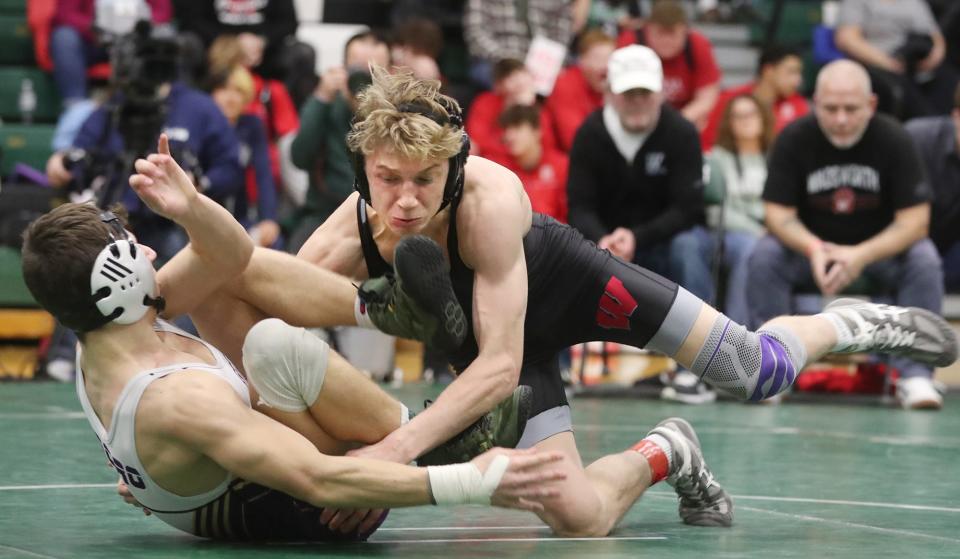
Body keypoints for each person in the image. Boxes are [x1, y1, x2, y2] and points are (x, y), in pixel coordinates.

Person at [295, 64, 958, 536]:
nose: (406, 199)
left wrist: (390, 452)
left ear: (457, 167)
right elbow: (269, 306)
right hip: (504, 351)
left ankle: (852, 321)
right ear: (365, 172)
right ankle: (669, 449)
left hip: (567, 288)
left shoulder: (488, 201)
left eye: (425, 179)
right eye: (387, 180)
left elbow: (497, 366)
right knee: (578, 518)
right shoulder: (351, 230)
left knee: (755, 372)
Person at [20, 136, 563, 541]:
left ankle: (389, 311)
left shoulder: (112, 324)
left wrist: (189, 206)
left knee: (249, 316)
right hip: (314, 510)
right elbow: (318, 482)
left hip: (257, 464)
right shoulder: (176, 398)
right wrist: (472, 480)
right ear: (115, 278)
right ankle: (438, 445)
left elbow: (232, 256)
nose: (150, 254)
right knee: (276, 345)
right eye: (134, 250)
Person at [747, 60, 949, 410]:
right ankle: (772, 368)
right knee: (764, 254)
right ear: (815, 103)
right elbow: (776, 214)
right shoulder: (794, 137)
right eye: (830, 108)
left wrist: (860, 255)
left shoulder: (894, 138)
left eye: (851, 109)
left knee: (924, 257)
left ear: (870, 105)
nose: (840, 119)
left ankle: (916, 375)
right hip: (811, 254)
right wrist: (814, 248)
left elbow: (916, 220)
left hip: (877, 255)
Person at [672, 93, 774, 327]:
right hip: (728, 232)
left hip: (770, 231)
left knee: (762, 249)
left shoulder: (775, 158)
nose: (745, 121)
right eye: (738, 116)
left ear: (763, 118)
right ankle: (722, 328)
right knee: (747, 248)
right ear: (729, 123)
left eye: (750, 114)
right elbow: (716, 212)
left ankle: (754, 329)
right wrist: (756, 229)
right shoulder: (717, 158)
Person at [287, 31, 391, 253]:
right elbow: (300, 158)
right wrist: (321, 98)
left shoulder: (398, 113)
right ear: (343, 67)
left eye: (373, 71)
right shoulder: (327, 104)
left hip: (383, 218)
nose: (363, 80)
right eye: (357, 69)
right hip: (325, 213)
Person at [835, 0, 958, 119]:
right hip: (878, 65)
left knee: (949, 80)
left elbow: (936, 36)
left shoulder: (915, 2)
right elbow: (847, 39)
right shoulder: (856, 2)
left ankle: (949, 126)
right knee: (903, 88)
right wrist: (888, 63)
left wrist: (934, 58)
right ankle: (928, 126)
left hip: (917, 63)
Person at [616, 0, 721, 130]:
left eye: (672, 34)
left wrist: (676, 123)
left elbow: (707, 96)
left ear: (685, 31)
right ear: (648, 29)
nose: (666, 41)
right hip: (637, 115)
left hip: (684, 118)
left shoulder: (698, 44)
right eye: (660, 33)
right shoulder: (630, 43)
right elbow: (616, 94)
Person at [208, 65, 281, 248]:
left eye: (238, 91)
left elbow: (263, 173)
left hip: (240, 216)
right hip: (205, 214)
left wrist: (268, 219)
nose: (230, 98)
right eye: (223, 89)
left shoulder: (251, 125)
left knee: (274, 243)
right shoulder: (204, 127)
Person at [904, 86, 960, 293]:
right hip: (906, 243)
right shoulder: (917, 139)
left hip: (952, 252)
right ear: (956, 116)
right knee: (921, 257)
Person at [701, 44, 809, 150]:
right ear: (768, 70)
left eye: (799, 73)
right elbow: (707, 143)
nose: (798, 80)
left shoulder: (799, 106)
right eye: (791, 72)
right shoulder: (730, 100)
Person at [490, 104, 569, 222]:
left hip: (557, 235)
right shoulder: (501, 169)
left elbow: (572, 212)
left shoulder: (562, 165)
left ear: (537, 131)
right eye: (507, 129)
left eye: (517, 127)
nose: (509, 136)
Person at [543, 29, 616, 152]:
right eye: (598, 58)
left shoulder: (619, 83)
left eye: (610, 59)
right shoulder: (565, 84)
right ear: (582, 60)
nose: (605, 66)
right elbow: (574, 141)